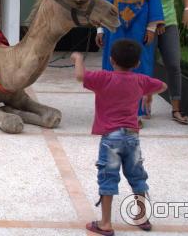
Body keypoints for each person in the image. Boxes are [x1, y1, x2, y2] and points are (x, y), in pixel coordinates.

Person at [71, 40, 167, 235]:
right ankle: (142, 216)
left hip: (111, 140)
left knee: (108, 178)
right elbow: (163, 86)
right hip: (132, 138)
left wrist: (78, 58)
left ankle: (105, 223)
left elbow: (80, 76)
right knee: (137, 176)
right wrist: (147, 94)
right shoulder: (140, 81)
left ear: (111, 60)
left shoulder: (104, 78)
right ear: (137, 63)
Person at [94, 0, 164, 126]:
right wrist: (99, 28)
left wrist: (151, 28)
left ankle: (136, 113)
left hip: (140, 26)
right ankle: (112, 110)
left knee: (140, 66)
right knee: (112, 67)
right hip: (112, 25)